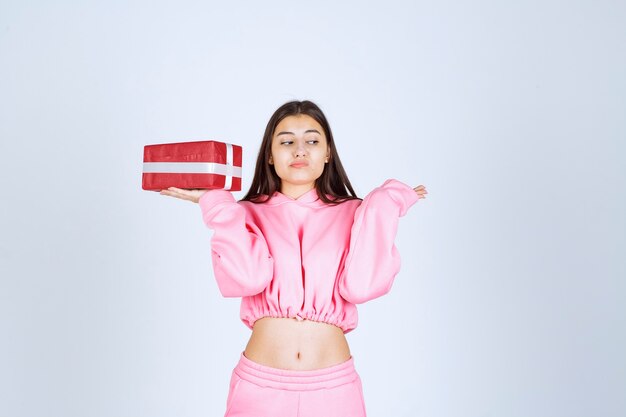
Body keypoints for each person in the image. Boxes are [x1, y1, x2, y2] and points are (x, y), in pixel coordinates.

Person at [160, 100, 428, 417]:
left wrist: (386, 201)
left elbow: (362, 286)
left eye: (312, 141)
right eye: (287, 141)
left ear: (328, 153)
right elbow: (246, 278)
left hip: (333, 389)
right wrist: (217, 205)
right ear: (270, 156)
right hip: (260, 387)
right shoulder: (244, 214)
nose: (299, 151)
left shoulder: (355, 213)